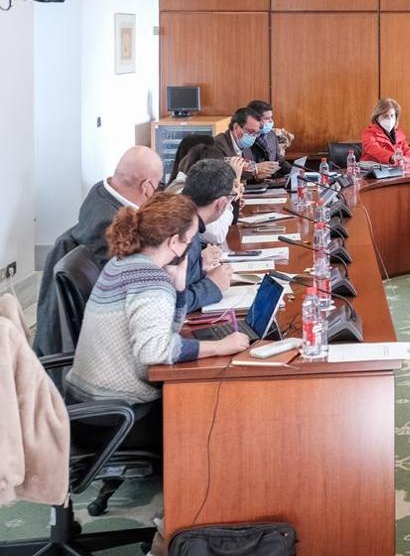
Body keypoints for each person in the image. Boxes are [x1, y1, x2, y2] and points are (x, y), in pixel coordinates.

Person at [64, 193, 249, 449]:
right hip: (117, 418)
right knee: (218, 415)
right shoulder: (151, 282)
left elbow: (164, 330)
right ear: (174, 242)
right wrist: (220, 347)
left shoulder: (124, 263)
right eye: (191, 239)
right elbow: (154, 350)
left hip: (89, 402)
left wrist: (180, 286)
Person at [34, 146, 165, 356]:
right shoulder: (111, 225)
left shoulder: (101, 193)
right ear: (147, 187)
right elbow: (134, 288)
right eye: (158, 187)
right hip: (107, 346)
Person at [178, 159, 238, 314]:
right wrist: (212, 285)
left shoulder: (185, 219)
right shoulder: (182, 234)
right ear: (221, 204)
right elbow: (169, 305)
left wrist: (200, 266)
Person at [166, 145, 245, 246]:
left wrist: (230, 198)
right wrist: (230, 193)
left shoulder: (185, 186)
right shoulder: (181, 193)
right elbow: (217, 234)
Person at [214, 106, 279, 182]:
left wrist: (257, 177)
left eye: (256, 133)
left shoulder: (246, 146)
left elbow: (247, 179)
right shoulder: (217, 144)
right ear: (236, 127)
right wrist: (254, 169)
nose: (253, 137)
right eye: (250, 132)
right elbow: (220, 177)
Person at [361, 97, 410, 166]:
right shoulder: (369, 133)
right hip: (372, 172)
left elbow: (409, 152)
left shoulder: (399, 135)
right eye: (385, 116)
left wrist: (407, 160)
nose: (389, 119)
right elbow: (374, 149)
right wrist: (392, 157)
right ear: (377, 118)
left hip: (394, 172)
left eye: (392, 116)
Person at [245, 99, 292, 177]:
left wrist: (293, 172)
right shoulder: (244, 139)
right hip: (253, 182)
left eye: (271, 117)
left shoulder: (271, 134)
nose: (271, 121)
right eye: (267, 118)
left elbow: (279, 160)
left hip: (272, 181)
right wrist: (257, 169)